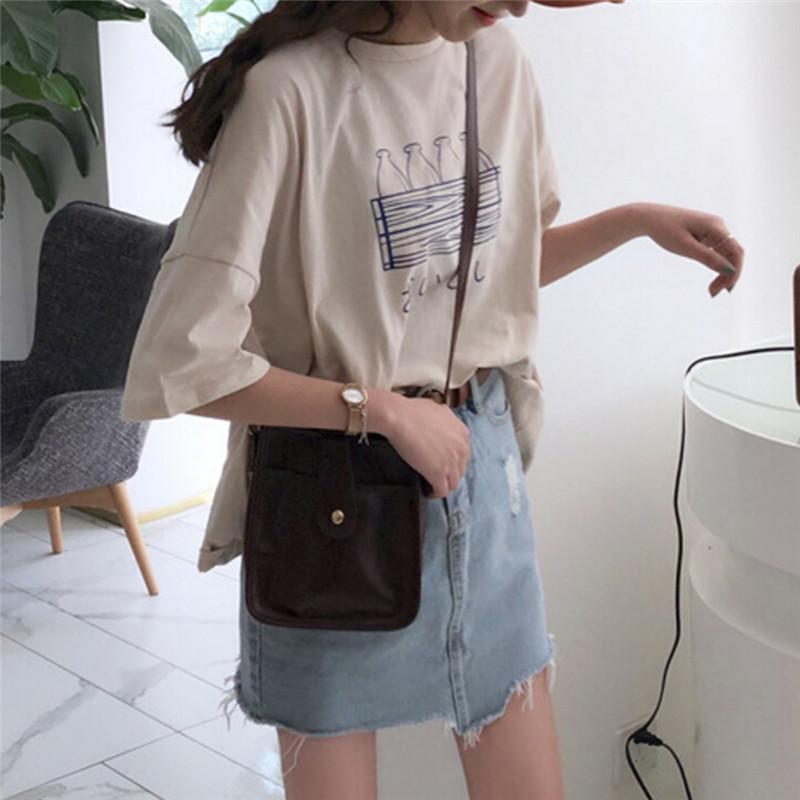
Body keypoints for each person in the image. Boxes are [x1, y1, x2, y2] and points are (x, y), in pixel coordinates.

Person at [121, 2, 743, 798]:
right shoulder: (289, 93)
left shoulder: (497, 63)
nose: (517, 5)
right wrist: (380, 411)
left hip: (478, 475)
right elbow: (182, 361)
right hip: (331, 499)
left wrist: (635, 222)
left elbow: (486, 276)